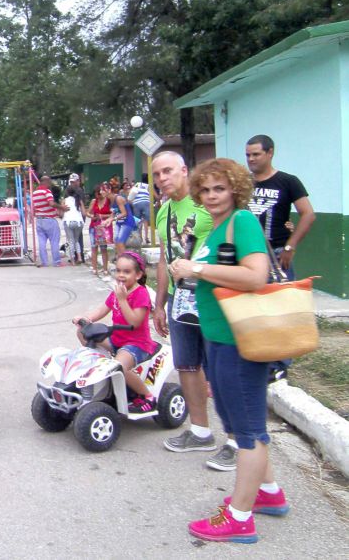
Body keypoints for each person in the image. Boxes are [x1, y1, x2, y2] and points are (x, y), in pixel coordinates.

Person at [170, 158, 285, 544]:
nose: (211, 196)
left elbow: (256, 275)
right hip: (218, 338)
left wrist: (196, 271)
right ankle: (269, 494)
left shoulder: (243, 222)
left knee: (248, 432)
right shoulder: (217, 228)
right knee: (235, 422)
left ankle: (239, 518)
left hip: (241, 342)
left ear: (234, 188)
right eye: (205, 190)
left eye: (219, 188)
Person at [150, 152, 228, 467]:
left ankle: (237, 441)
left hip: (211, 299)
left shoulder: (207, 205)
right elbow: (162, 259)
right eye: (156, 175)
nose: (162, 179)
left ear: (184, 171)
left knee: (221, 369)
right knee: (186, 366)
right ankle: (199, 431)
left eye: (168, 171)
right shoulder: (163, 211)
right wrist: (159, 303)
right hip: (179, 300)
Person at [245, 134, 316, 382]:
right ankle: (260, 357)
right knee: (254, 310)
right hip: (249, 257)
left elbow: (308, 214)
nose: (251, 159)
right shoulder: (244, 183)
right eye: (248, 155)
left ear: (270, 152)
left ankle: (280, 363)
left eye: (256, 154)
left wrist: (290, 246)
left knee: (281, 310)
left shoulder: (288, 181)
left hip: (276, 255)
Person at [72, 251, 157, 413]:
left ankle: (147, 396)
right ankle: (99, 365)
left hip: (136, 345)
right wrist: (85, 319)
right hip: (116, 341)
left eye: (126, 272)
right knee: (83, 333)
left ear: (138, 275)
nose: (121, 275)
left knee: (117, 366)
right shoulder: (118, 291)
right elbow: (101, 310)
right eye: (118, 270)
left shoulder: (140, 294)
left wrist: (123, 300)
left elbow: (135, 321)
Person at [32, 176, 66, 267]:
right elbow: (51, 203)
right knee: (54, 241)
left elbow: (33, 207)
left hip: (39, 220)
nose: (50, 184)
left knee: (42, 242)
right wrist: (62, 207)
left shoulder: (34, 193)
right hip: (49, 220)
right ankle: (57, 262)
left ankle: (44, 262)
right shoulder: (47, 192)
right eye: (49, 182)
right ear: (46, 181)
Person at [87, 183, 113, 275]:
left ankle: (105, 268)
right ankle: (94, 268)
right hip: (93, 226)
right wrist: (92, 216)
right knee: (94, 247)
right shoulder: (94, 201)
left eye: (99, 193)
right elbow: (88, 212)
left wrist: (102, 216)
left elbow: (112, 214)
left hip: (103, 227)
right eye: (96, 194)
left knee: (103, 248)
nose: (97, 196)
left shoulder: (108, 201)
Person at [62, 184, 87, 265]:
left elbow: (62, 213)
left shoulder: (64, 200)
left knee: (71, 241)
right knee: (76, 241)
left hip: (68, 221)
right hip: (79, 222)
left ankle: (72, 260)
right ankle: (79, 257)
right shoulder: (79, 200)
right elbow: (84, 213)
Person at [113, 182, 138, 256]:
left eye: (128, 185)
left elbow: (125, 211)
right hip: (120, 221)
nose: (127, 186)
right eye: (126, 185)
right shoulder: (119, 194)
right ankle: (120, 258)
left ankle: (124, 259)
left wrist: (112, 219)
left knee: (120, 241)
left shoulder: (119, 197)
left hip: (126, 220)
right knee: (117, 240)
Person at [129, 175, 152, 244]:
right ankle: (146, 237)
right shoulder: (149, 186)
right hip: (146, 202)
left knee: (138, 221)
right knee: (145, 221)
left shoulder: (138, 184)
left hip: (136, 203)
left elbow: (132, 192)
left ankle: (140, 237)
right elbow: (151, 194)